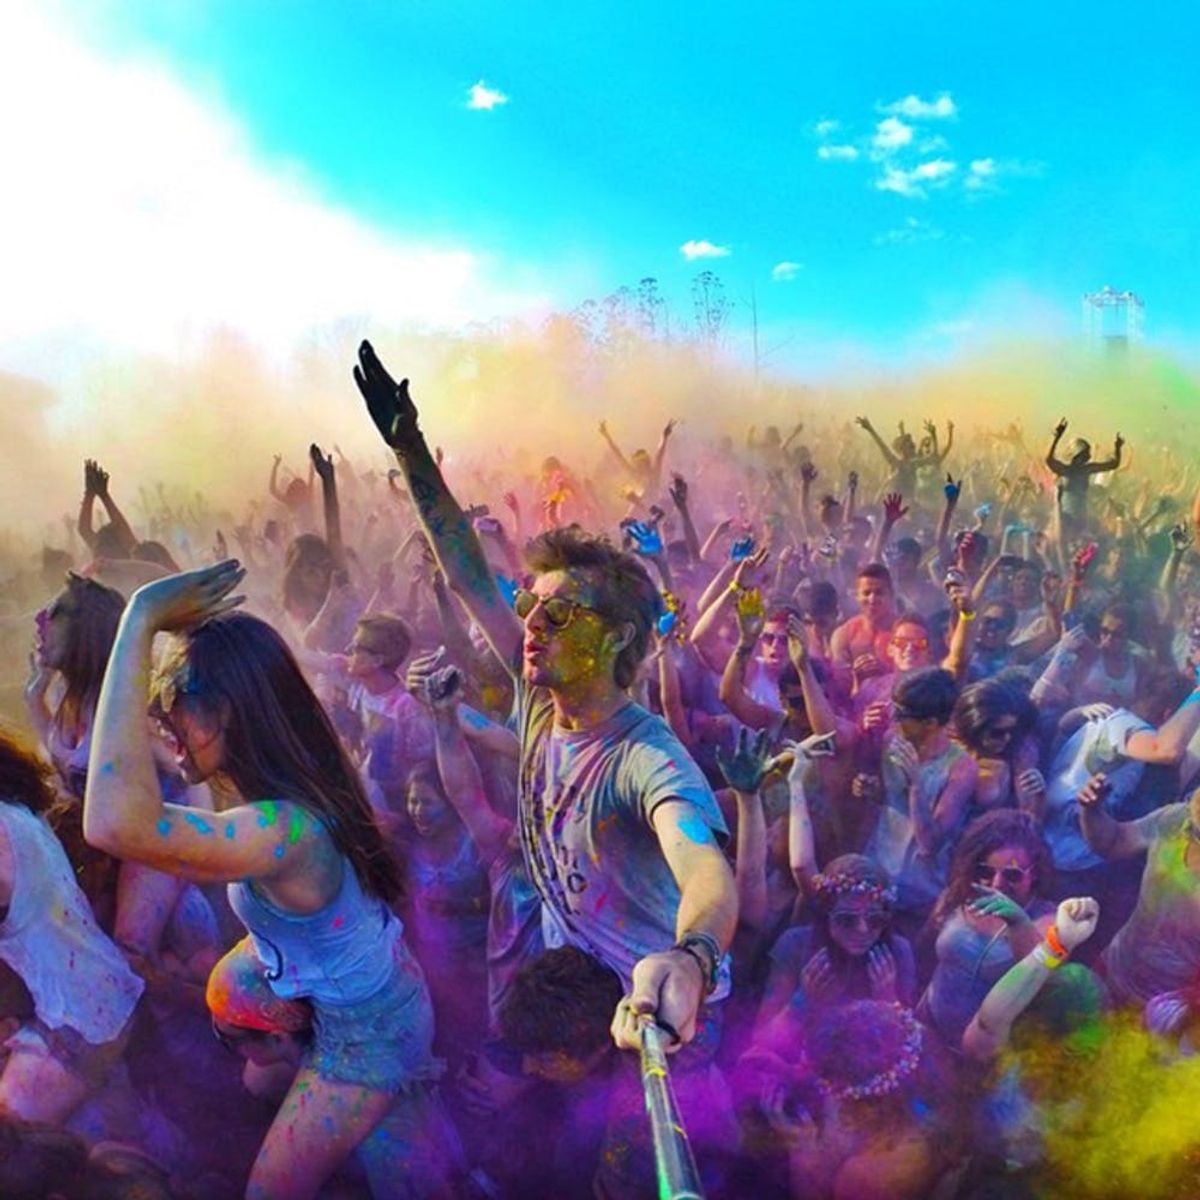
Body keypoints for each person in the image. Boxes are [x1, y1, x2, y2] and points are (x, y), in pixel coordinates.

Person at [352, 341, 737, 1053]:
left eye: (558, 615)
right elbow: (469, 576)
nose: (531, 625)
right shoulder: (540, 701)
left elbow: (706, 871)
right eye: (531, 607)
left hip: (662, 1021)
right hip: (577, 997)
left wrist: (692, 958)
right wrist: (410, 451)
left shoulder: (646, 759)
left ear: (617, 638)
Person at [82, 562, 447, 1200]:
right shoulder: (287, 783)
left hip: (366, 1040)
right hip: (370, 998)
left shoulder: (285, 830)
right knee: (261, 1084)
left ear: (229, 710)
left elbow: (113, 823)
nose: (160, 716)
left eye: (173, 699)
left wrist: (138, 619)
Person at [0, 728, 144, 1125]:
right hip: (100, 996)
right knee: (124, 1127)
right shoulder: (12, 806)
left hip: (79, 1024)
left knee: (12, 1143)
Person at [920, 810, 1056, 1050]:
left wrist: (1018, 922)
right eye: (985, 871)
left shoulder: (1050, 920)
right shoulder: (959, 895)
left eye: (1012, 875)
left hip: (984, 1052)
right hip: (928, 1024)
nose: (996, 884)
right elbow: (929, 955)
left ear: (1035, 873)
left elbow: (1040, 978)